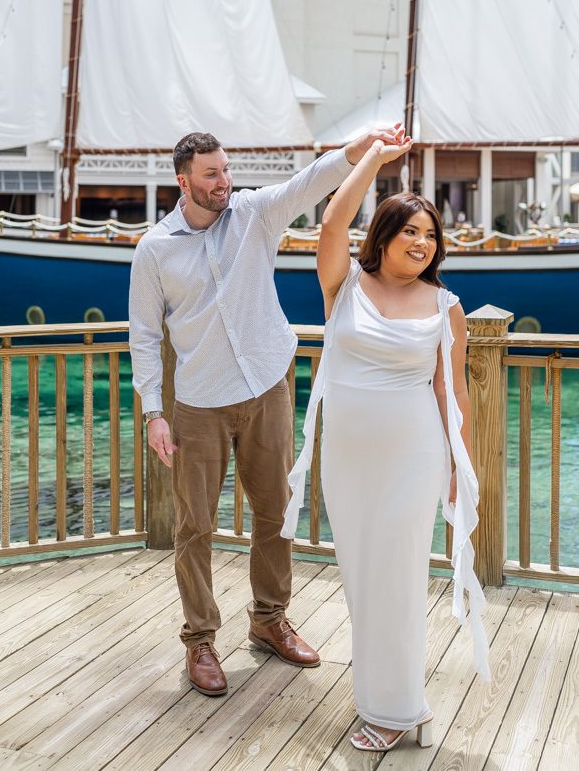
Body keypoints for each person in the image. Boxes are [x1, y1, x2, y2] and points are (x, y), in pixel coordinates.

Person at [129, 125, 402, 698]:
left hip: (266, 387)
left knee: (275, 513)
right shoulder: (155, 249)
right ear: (185, 182)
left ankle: (269, 619)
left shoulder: (253, 213)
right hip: (198, 402)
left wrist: (362, 148)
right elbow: (145, 334)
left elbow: (311, 183)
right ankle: (200, 640)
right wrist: (154, 410)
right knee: (194, 527)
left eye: (226, 170)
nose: (224, 182)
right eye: (212, 174)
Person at [282, 132, 490, 753]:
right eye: (410, 233)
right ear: (383, 237)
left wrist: (459, 464)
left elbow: (451, 395)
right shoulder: (342, 286)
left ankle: (399, 712)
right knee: (360, 577)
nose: (423, 244)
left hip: (413, 456)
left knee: (397, 578)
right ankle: (384, 704)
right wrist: (373, 157)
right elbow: (331, 219)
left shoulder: (444, 305)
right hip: (347, 458)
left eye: (431, 236)